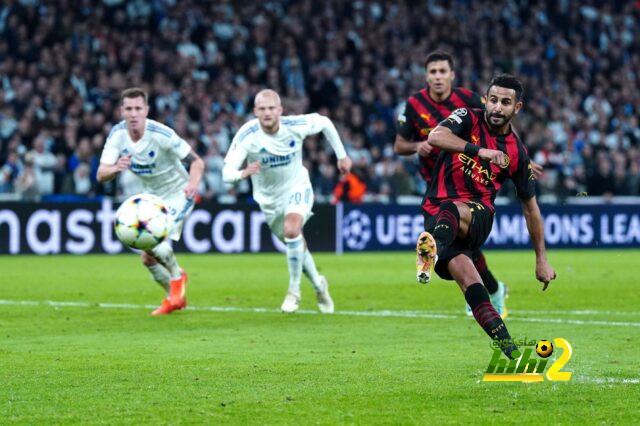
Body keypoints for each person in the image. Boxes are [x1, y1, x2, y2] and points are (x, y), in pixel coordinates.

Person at [415, 74, 556, 359]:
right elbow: (436, 136)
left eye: (505, 103)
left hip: (478, 214)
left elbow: (531, 208)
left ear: (517, 108)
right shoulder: (467, 117)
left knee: (453, 209)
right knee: (472, 286)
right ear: (486, 100)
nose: (497, 108)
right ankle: (512, 353)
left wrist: (541, 258)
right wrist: (482, 151)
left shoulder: (517, 153)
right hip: (438, 218)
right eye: (493, 100)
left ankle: (428, 255)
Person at [394, 51, 541, 318]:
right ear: (426, 76)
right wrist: (418, 145)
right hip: (435, 181)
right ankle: (492, 289)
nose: (437, 77)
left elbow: (500, 124)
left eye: (442, 71)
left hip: (468, 179)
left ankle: (483, 290)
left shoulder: (470, 100)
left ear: (452, 74)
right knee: (464, 246)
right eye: (433, 72)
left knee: (461, 243)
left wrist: (522, 157)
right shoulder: (414, 104)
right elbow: (399, 145)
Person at [223, 89, 352, 313]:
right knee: (296, 244)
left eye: (271, 108)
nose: (267, 113)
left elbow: (324, 123)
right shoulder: (247, 135)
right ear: (255, 112)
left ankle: (294, 291)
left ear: (280, 110)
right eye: (262, 109)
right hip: (269, 200)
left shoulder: (295, 126)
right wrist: (241, 175)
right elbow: (227, 174)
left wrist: (341, 155)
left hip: (297, 186)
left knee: (292, 230)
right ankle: (319, 284)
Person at [97, 87, 205, 315]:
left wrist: (193, 184)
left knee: (153, 242)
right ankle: (175, 297)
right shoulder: (117, 135)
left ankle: (177, 278)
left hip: (179, 193)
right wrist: (116, 168)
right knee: (147, 259)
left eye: (138, 108)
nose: (133, 114)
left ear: (146, 110)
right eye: (129, 109)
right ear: (122, 111)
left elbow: (197, 162)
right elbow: (101, 174)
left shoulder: (162, 134)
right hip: (151, 198)